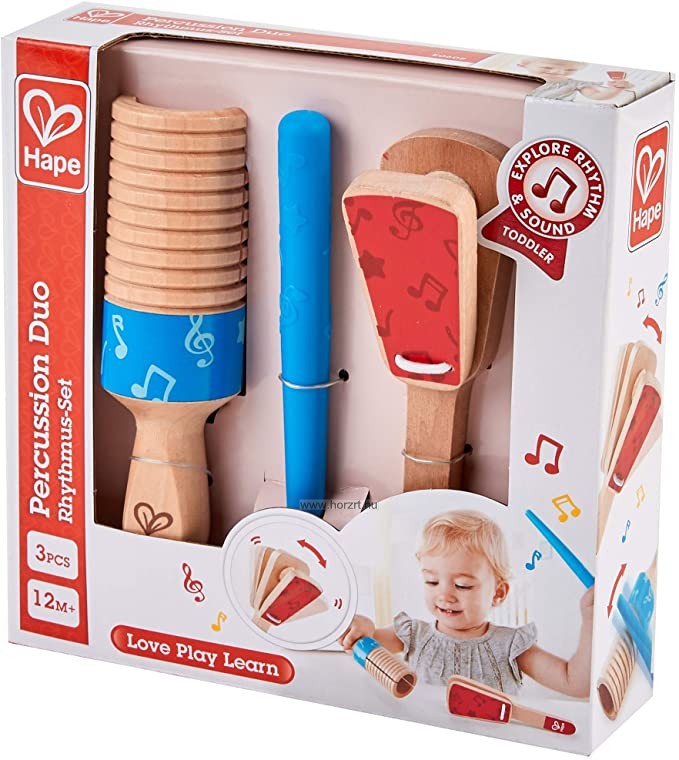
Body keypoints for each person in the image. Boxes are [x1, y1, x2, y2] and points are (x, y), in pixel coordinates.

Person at [340, 510, 593, 697]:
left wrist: (591, 622)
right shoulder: (412, 634)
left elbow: (575, 684)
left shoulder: (511, 647)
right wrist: (362, 626)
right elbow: (365, 641)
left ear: (498, 593)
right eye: (432, 581)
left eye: (462, 585)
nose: (445, 595)